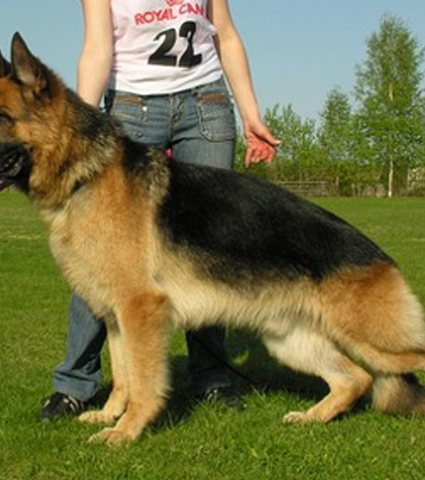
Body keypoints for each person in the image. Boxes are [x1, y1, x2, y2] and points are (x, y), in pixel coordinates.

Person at [40, 0, 280, 421]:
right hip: (133, 109)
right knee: (99, 254)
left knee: (206, 250)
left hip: (205, 106)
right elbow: (97, 47)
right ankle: (74, 384)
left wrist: (250, 114)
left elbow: (225, 35)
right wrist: (83, 126)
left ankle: (212, 379)